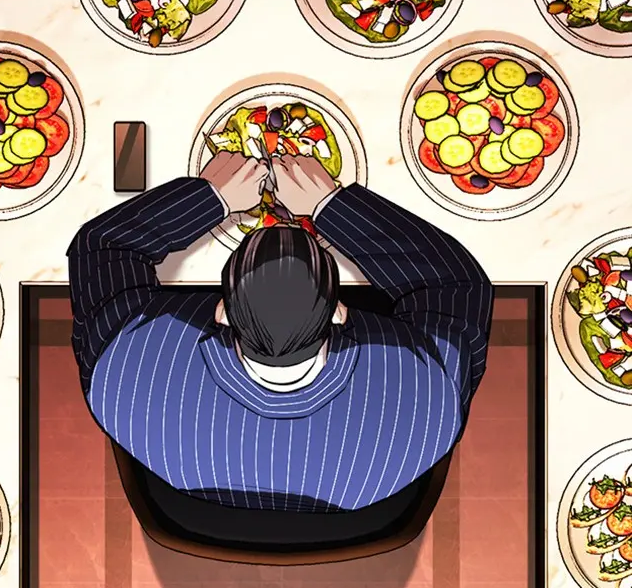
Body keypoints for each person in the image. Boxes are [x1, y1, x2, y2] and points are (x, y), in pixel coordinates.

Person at [67, 152, 494, 513]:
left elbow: (102, 247)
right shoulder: (427, 402)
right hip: (356, 491)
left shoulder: (122, 377)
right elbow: (455, 287)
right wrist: (331, 206)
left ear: (222, 312)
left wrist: (211, 197)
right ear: (341, 312)